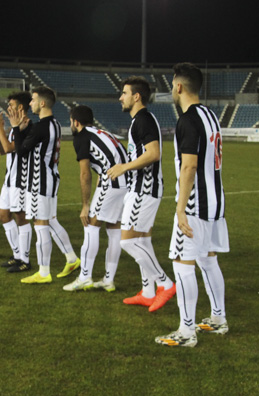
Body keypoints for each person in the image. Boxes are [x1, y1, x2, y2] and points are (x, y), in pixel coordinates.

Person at [155, 63, 230, 348]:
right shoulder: (210, 115)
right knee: (208, 260)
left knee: (182, 264)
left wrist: (180, 208)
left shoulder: (187, 119)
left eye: (172, 85)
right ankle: (218, 318)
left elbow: (189, 166)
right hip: (215, 205)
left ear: (179, 87)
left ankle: (186, 331)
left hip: (195, 205)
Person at [107, 76, 175, 309]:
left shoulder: (143, 119)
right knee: (142, 241)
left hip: (144, 189)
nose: (120, 97)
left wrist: (123, 167)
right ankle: (147, 292)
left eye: (124, 93)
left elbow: (154, 153)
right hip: (141, 188)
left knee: (128, 242)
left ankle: (165, 284)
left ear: (136, 96)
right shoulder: (140, 120)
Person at [11, 86, 79, 284]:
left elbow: (22, 152)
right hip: (50, 178)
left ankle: (43, 272)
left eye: (32, 100)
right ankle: (72, 258)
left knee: (40, 225)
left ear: (42, 103)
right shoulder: (55, 124)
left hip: (39, 181)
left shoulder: (41, 127)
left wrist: (16, 128)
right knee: (50, 221)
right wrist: (24, 130)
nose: (30, 103)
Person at [63, 105, 128, 292]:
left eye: (71, 122)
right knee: (114, 230)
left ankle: (84, 277)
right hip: (127, 183)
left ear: (76, 122)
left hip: (112, 183)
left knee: (91, 226)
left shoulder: (82, 137)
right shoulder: (104, 133)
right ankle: (108, 279)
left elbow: (85, 174)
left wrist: (85, 205)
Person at [0, 91, 33, 273]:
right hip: (10, 178)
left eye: (11, 105)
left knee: (20, 217)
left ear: (21, 107)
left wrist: (0, 127)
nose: (8, 109)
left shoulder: (29, 127)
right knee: (3, 215)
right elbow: (3, 150)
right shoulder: (16, 127)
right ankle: (17, 255)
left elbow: (9, 147)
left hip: (21, 179)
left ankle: (25, 259)